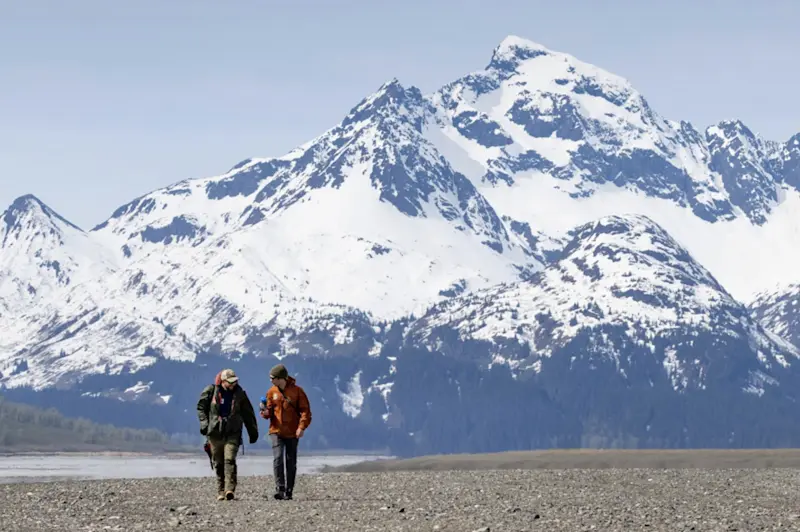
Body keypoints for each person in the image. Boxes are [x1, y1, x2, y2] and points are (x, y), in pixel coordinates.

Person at [197, 368, 259, 501]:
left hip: (233, 432)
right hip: (214, 433)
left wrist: (252, 432)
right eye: (230, 382)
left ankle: (229, 489)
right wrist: (204, 424)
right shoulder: (210, 391)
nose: (233, 385)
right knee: (218, 462)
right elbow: (201, 408)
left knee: (229, 459)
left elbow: (249, 414)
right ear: (223, 381)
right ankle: (220, 490)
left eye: (234, 382)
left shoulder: (240, 394)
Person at [260, 363, 312, 500]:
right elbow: (269, 412)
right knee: (278, 459)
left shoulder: (297, 392)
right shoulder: (271, 392)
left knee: (291, 461)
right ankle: (280, 488)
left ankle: (289, 490)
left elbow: (305, 411)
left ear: (281, 378)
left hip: (292, 432)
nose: (270, 380)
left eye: (273, 378)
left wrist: (301, 427)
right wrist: (264, 412)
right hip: (276, 430)